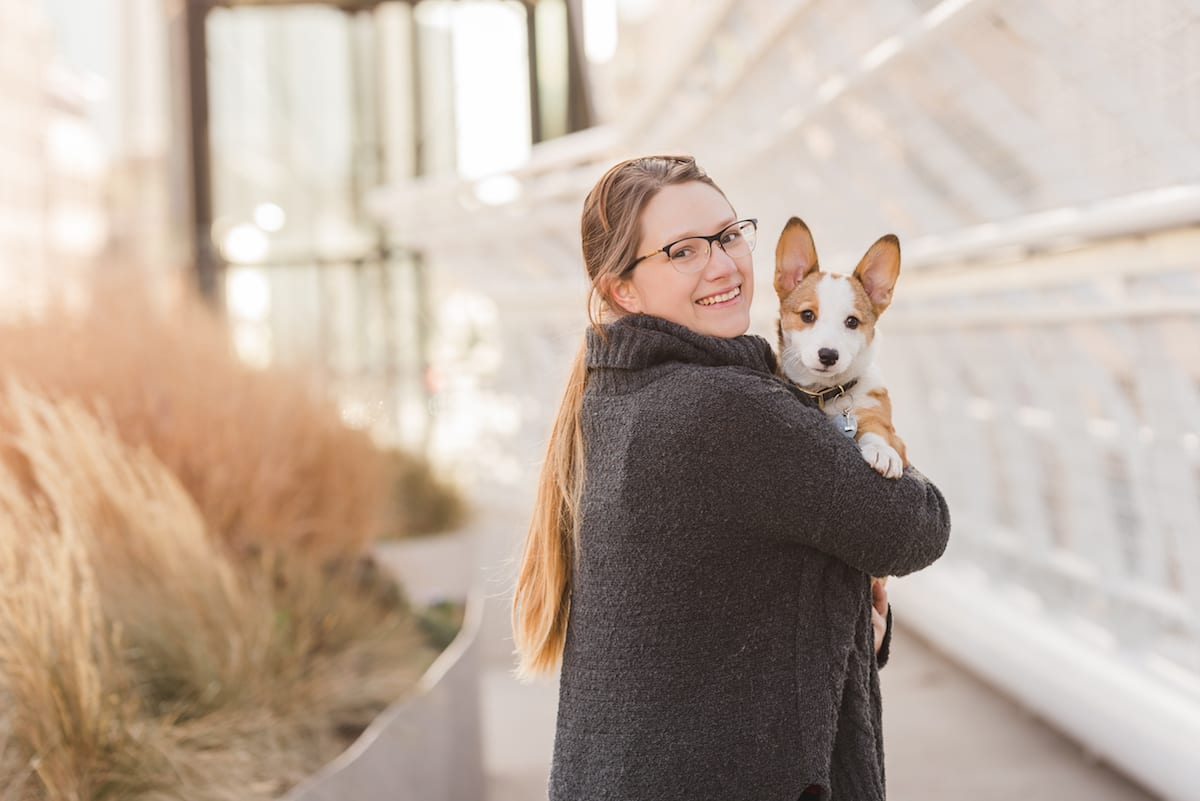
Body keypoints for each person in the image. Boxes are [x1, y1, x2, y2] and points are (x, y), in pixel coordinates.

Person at [512, 155, 951, 801]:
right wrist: (866, 413)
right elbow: (913, 526)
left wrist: (852, 621)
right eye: (683, 251)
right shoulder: (729, 408)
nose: (722, 265)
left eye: (728, 235)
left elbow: (715, 606)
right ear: (622, 290)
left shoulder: (608, 396)